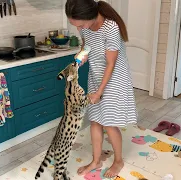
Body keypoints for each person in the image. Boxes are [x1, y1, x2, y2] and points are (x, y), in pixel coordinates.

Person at [65, 0, 138, 178]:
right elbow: (87, 46)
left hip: (114, 79)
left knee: (109, 122)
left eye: (80, 24)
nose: (79, 28)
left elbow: (111, 64)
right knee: (96, 120)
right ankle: (96, 161)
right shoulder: (85, 27)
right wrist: (81, 57)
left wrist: (100, 92)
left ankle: (118, 161)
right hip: (95, 76)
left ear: (90, 16)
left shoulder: (111, 28)